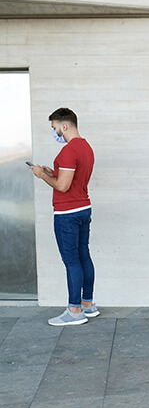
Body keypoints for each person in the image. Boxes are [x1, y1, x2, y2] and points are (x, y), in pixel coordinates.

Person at [30, 108, 98, 326]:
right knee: (83, 256)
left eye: (54, 128)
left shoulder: (69, 151)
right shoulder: (86, 147)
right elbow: (70, 180)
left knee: (71, 261)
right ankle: (88, 304)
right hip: (83, 208)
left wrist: (42, 176)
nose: (55, 132)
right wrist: (53, 173)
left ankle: (74, 311)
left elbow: (63, 186)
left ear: (64, 126)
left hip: (67, 212)